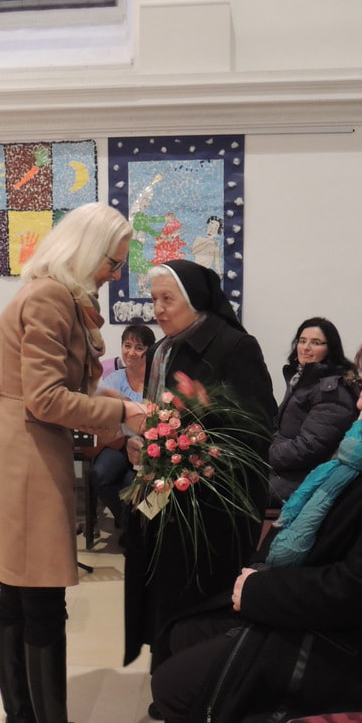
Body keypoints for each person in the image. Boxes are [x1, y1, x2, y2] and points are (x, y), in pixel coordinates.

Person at [151, 332, 362, 723]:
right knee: (183, 630)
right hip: (327, 616)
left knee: (171, 685)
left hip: (351, 650)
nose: (360, 404)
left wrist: (261, 590)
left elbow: (356, 592)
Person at [0, 202, 147, 723]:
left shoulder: (46, 293)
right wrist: (124, 414)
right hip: (26, 459)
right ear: (87, 252)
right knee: (39, 601)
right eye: (113, 261)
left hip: (17, 451)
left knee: (16, 596)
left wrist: (119, 407)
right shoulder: (50, 298)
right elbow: (46, 399)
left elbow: (54, 388)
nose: (115, 273)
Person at [123, 260, 276, 675]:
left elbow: (258, 426)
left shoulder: (234, 347)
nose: (158, 308)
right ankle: (165, 672)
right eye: (154, 298)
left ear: (195, 299)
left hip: (212, 504)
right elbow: (155, 415)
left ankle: (193, 679)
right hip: (163, 491)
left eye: (167, 299)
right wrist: (143, 444)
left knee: (196, 594)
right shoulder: (161, 349)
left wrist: (194, 449)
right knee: (161, 586)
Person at [269, 316, 360, 505]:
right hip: (282, 471)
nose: (306, 348)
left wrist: (260, 455)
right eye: (302, 341)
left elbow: (309, 448)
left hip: (300, 481)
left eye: (316, 343)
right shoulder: (305, 381)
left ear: (330, 349)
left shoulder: (332, 392)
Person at [91, 323, 156, 529]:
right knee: (100, 475)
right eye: (127, 346)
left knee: (132, 482)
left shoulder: (157, 380)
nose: (131, 352)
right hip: (119, 442)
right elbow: (96, 406)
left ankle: (140, 530)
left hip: (150, 446)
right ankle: (131, 527)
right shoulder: (113, 379)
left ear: (149, 352)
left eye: (139, 348)